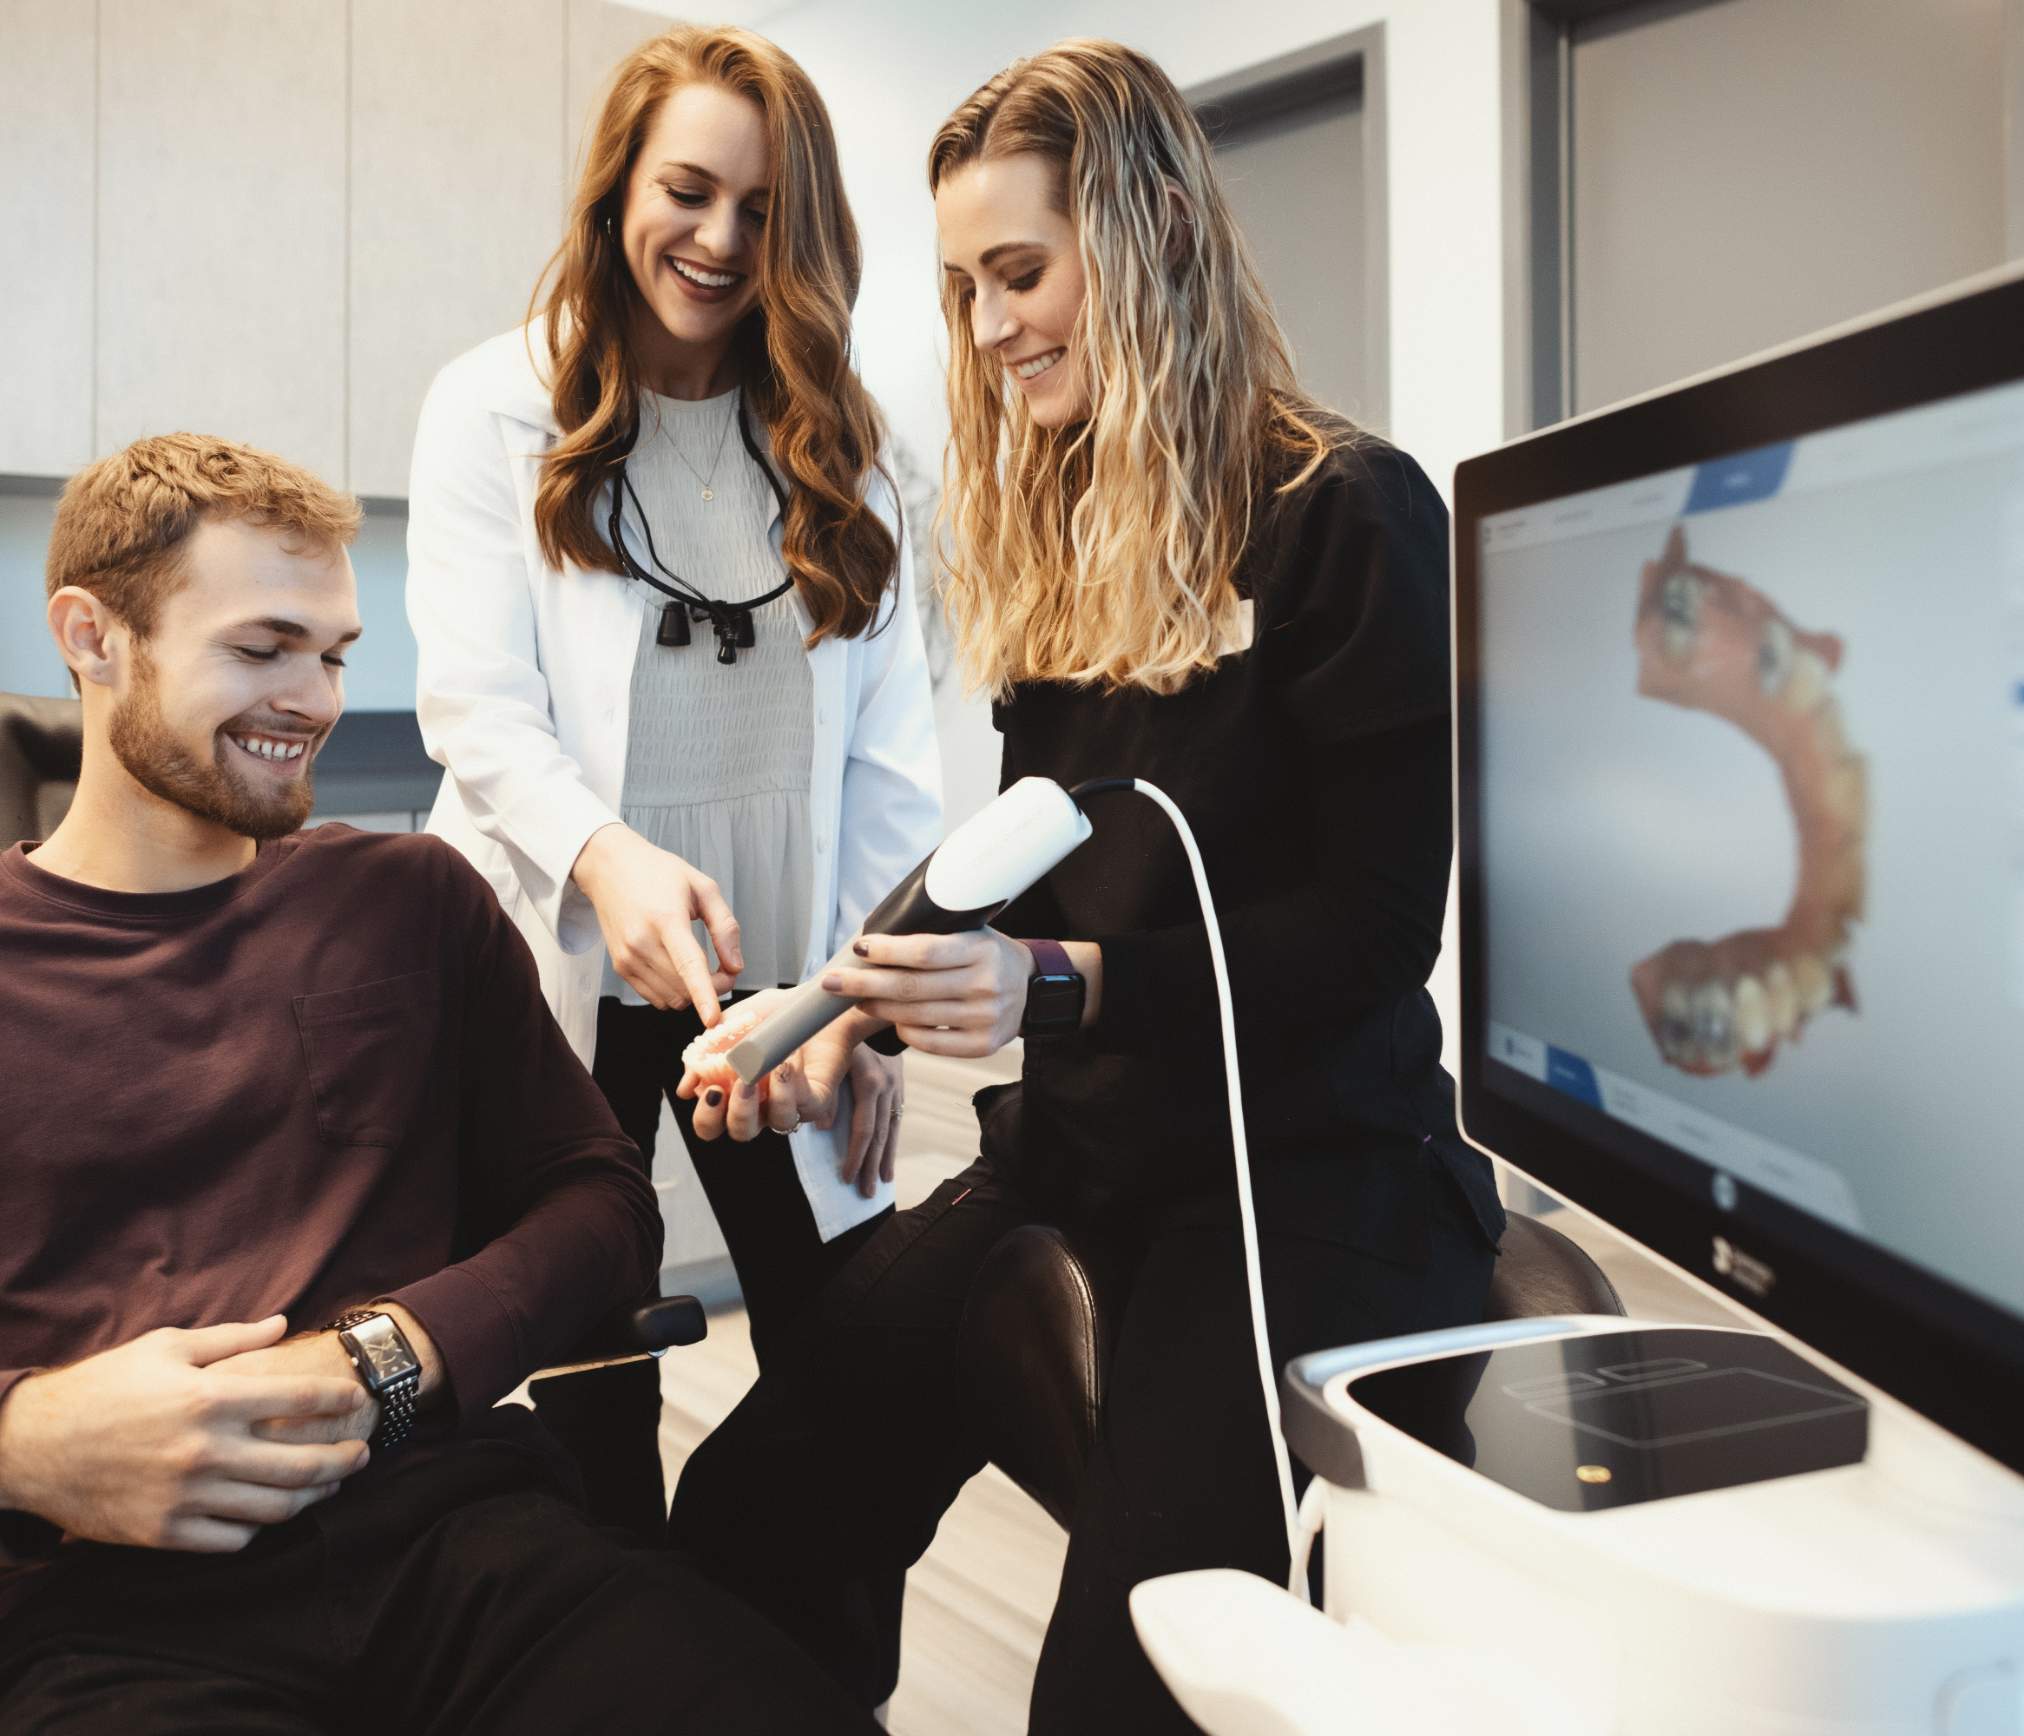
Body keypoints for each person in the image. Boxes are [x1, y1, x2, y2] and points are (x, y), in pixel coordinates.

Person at [667, 39, 1509, 1731]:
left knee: (1114, 1703)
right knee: (745, 1518)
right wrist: (843, 1010)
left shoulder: (1345, 516)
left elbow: (1371, 938)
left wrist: (1062, 988)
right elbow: (1018, 850)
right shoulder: (1069, 529)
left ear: (1146, 239)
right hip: (1076, 1160)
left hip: (1296, 1190)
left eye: (1023, 275)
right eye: (966, 287)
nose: (989, 330)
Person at [0, 434, 876, 1734]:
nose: (313, 698)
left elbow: (600, 1207)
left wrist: (392, 1360)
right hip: (109, 1623)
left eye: (334, 654)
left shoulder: (407, 902)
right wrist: (22, 1443)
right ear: (93, 637)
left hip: (461, 1555)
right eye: (262, 647)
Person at [404, 23, 940, 1538]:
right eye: (688, 189)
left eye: (763, 210)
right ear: (619, 185)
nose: (718, 239)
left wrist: (868, 1003)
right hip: (573, 958)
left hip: (787, 983)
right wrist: (603, 858)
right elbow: (478, 704)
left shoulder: (856, 450)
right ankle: (627, 1651)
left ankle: (793, 1659)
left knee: (849, 1357)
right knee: (591, 1363)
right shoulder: (494, 409)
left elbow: (897, 763)